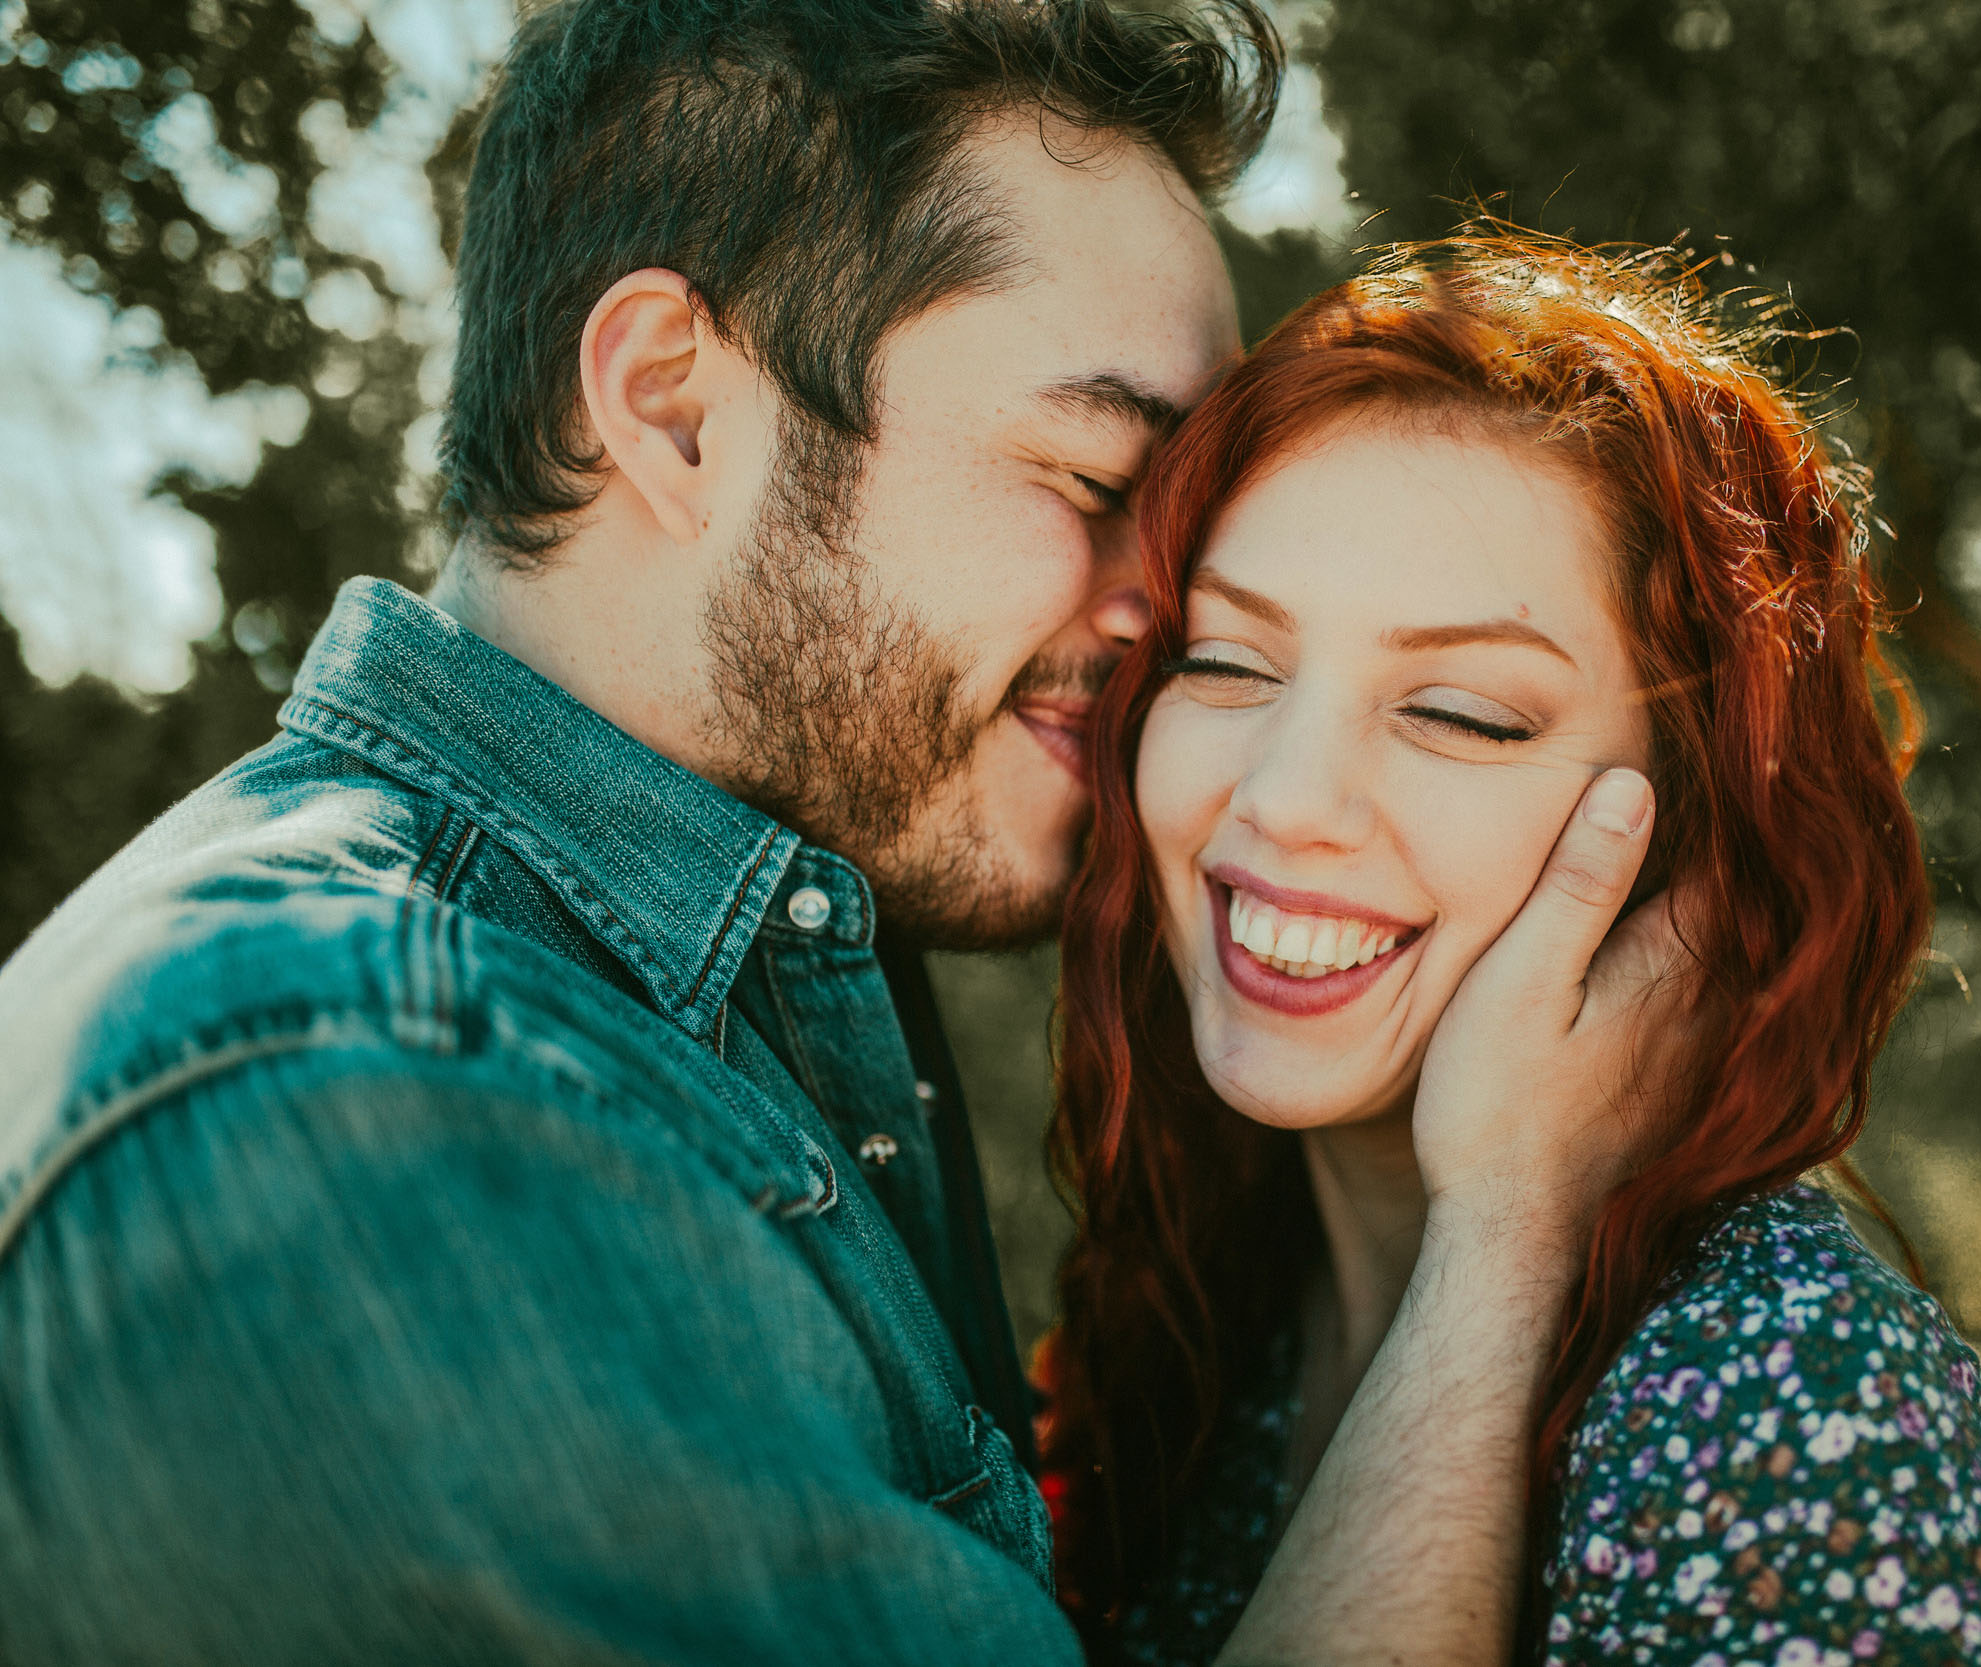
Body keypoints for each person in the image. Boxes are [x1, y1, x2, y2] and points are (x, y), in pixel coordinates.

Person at [0, 8, 1670, 1663]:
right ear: (673, 409)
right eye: (1100, 481)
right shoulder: (378, 1119)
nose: (1168, 618)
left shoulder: (695, 984)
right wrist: (1505, 1239)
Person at [1041, 234, 1981, 1665]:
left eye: (1464, 714)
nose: (1282, 797)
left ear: (1693, 838)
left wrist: (1504, 1241)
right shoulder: (1214, 1325)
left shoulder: (1782, 1401)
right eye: (1227, 663)